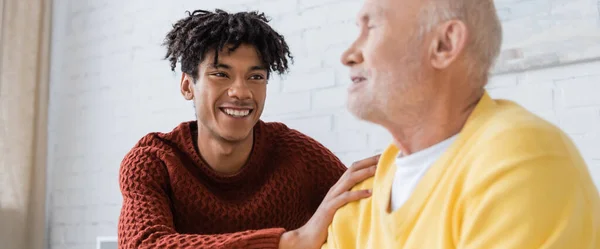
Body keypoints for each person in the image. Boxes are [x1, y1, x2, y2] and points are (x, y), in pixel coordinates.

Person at [322, 0, 600, 248]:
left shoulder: (521, 160)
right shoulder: (365, 190)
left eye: (371, 28)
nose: (348, 55)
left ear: (445, 44)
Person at [117, 9, 377, 249]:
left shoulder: (298, 155)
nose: (241, 92)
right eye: (221, 74)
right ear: (187, 86)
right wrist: (289, 243)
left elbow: (369, 219)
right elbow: (144, 244)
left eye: (255, 77)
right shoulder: (153, 160)